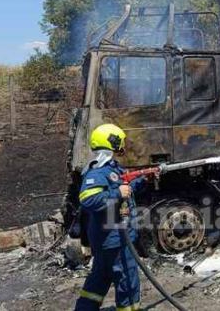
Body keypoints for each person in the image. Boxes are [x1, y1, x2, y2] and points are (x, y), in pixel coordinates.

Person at [75, 124, 145, 311]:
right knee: (128, 283)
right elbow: (88, 200)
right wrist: (118, 193)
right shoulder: (98, 171)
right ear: (111, 142)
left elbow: (123, 185)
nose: (122, 145)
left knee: (99, 281)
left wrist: (144, 177)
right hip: (115, 241)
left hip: (107, 241)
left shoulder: (110, 168)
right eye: (119, 141)